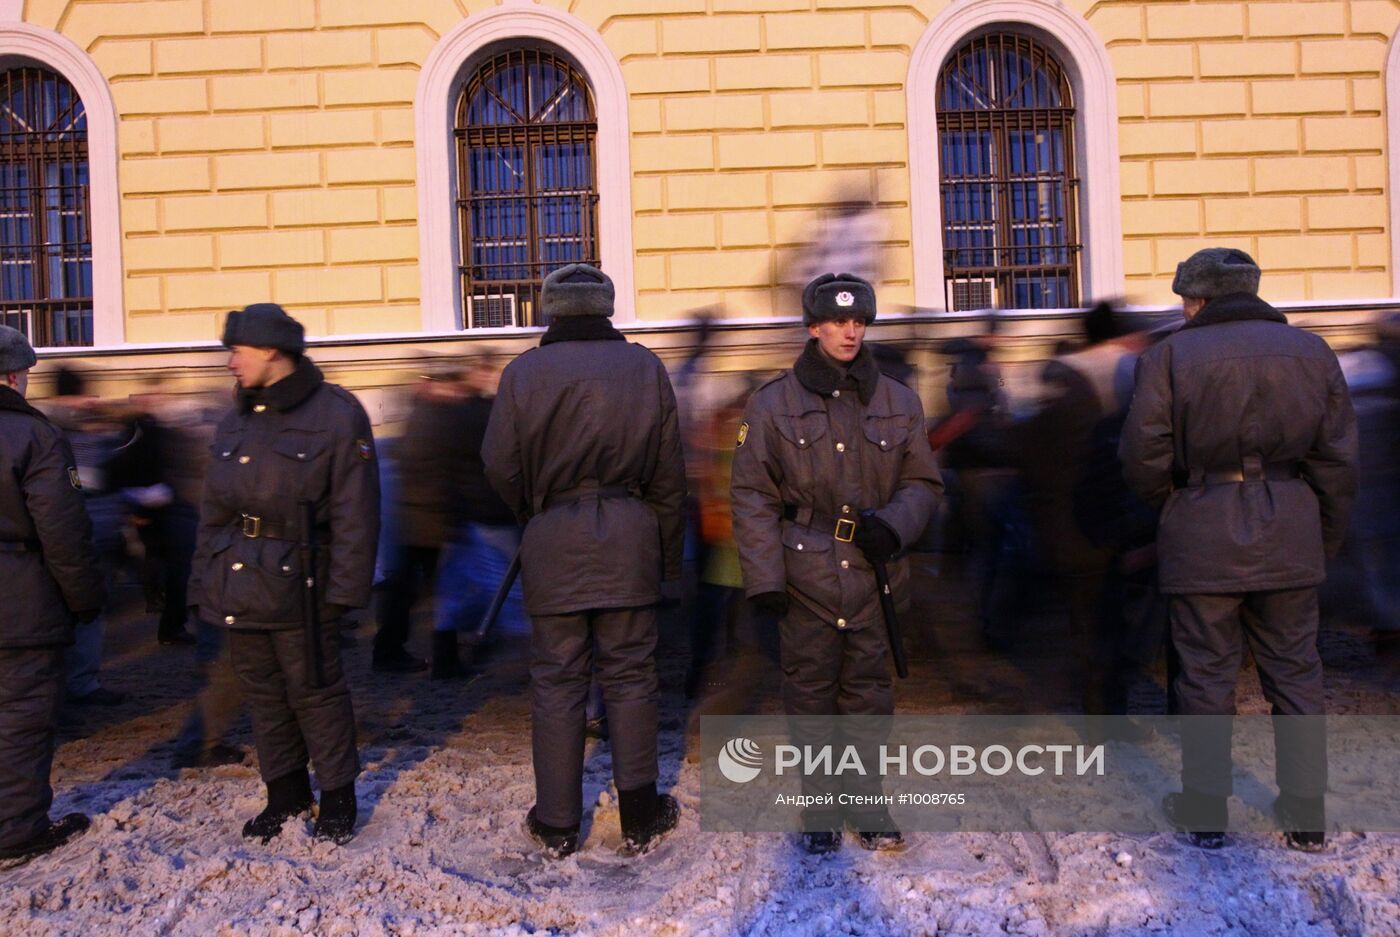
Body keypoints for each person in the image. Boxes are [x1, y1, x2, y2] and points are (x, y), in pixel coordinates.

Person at [1120, 248, 1358, 851]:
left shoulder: (1169, 356)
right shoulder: (1313, 352)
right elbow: (1337, 460)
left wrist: (1175, 509)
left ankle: (1204, 810)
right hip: (1290, 525)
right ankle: (1305, 812)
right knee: (1297, 675)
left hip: (1202, 528)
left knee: (1204, 677)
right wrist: (1319, 535)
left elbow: (1142, 456)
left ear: (1195, 299)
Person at [730, 273, 942, 854]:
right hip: (806, 577)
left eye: (858, 322)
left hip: (875, 574)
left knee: (869, 694)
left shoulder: (898, 400)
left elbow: (924, 482)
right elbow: (752, 496)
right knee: (811, 692)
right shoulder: (772, 403)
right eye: (838, 322)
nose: (850, 332)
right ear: (813, 327)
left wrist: (894, 525)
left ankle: (866, 798)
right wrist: (765, 578)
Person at [483, 264, 686, 859]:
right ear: (607, 309)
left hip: (554, 539)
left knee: (557, 681)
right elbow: (669, 477)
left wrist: (539, 511)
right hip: (630, 536)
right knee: (630, 678)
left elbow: (499, 463)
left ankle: (556, 821)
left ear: (550, 310)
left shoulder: (522, 373)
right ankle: (642, 814)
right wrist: (668, 563)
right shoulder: (645, 368)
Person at [188, 303, 379, 845]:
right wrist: (201, 583)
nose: (230, 363)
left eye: (238, 351)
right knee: (264, 695)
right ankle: (286, 794)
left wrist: (344, 592)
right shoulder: (237, 417)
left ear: (273, 351)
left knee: (316, 692)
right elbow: (213, 511)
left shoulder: (336, 414)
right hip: (239, 582)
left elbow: (357, 511)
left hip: (303, 583)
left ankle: (339, 796)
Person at [0, 326, 105, 865]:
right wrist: (85, 599)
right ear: (15, 376)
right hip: (19, 602)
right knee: (21, 716)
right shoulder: (34, 437)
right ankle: (17, 829)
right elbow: (63, 531)